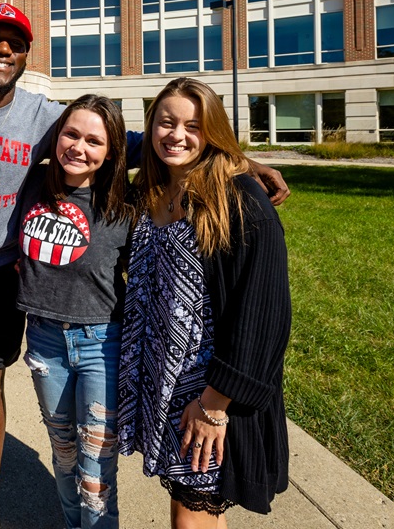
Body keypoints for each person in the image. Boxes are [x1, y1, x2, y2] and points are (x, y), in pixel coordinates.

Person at [0, 3, 290, 529]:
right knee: (43, 443)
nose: (3, 50)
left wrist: (244, 163)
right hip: (6, 314)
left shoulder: (86, 160)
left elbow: (154, 144)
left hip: (85, 331)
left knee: (89, 462)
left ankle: (36, 516)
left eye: (14, 42)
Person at [117, 78, 291, 528]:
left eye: (193, 126)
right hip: (160, 381)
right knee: (193, 511)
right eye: (166, 122)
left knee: (190, 517)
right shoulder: (148, 192)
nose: (177, 135)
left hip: (207, 390)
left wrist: (215, 405)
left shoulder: (239, 200)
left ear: (212, 133)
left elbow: (264, 313)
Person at [16, 95, 135, 529]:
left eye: (93, 140)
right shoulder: (32, 184)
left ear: (111, 151)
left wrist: (247, 169)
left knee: (96, 465)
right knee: (64, 453)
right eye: (71, 133)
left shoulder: (125, 203)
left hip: (102, 342)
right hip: (45, 340)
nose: (78, 148)